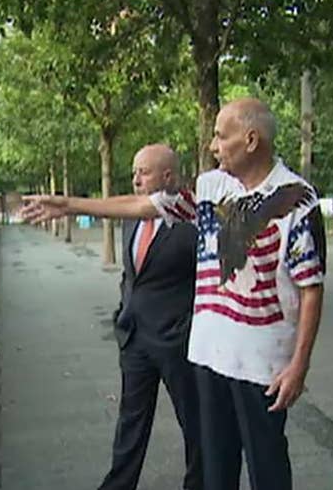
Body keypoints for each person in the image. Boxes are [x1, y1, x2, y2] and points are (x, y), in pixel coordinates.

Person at [21, 98, 326, 490]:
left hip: (261, 365)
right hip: (208, 355)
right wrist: (66, 204)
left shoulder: (297, 199)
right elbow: (143, 205)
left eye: (220, 136)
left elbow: (310, 287)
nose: (213, 147)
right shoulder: (210, 187)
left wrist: (298, 366)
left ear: (251, 140)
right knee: (215, 469)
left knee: (267, 468)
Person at [98, 144, 202, 490]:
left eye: (143, 172)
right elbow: (132, 274)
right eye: (133, 173)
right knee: (131, 421)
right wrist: (123, 312)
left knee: (195, 423)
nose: (135, 179)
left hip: (177, 342)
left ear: (167, 176)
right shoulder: (132, 216)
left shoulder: (193, 222)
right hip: (135, 339)